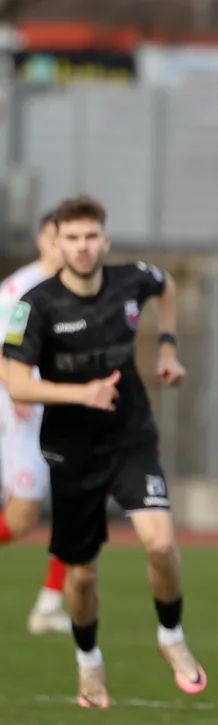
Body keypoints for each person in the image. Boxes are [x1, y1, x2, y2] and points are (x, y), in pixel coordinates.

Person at [2, 195, 206, 709]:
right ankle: (89, 665)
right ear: (57, 243)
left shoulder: (131, 279)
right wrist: (81, 393)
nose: (83, 246)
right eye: (72, 238)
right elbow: (16, 382)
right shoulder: (34, 305)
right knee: (83, 574)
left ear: (105, 240)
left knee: (160, 544)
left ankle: (171, 637)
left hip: (131, 437)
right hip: (71, 451)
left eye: (91, 236)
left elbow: (168, 286)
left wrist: (167, 348)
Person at [0, 210, 70, 635]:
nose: (63, 244)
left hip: (68, 408)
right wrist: (15, 387)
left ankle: (49, 603)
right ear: (44, 239)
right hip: (25, 410)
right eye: (55, 235)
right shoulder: (20, 289)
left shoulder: (83, 291)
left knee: (80, 504)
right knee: (23, 516)